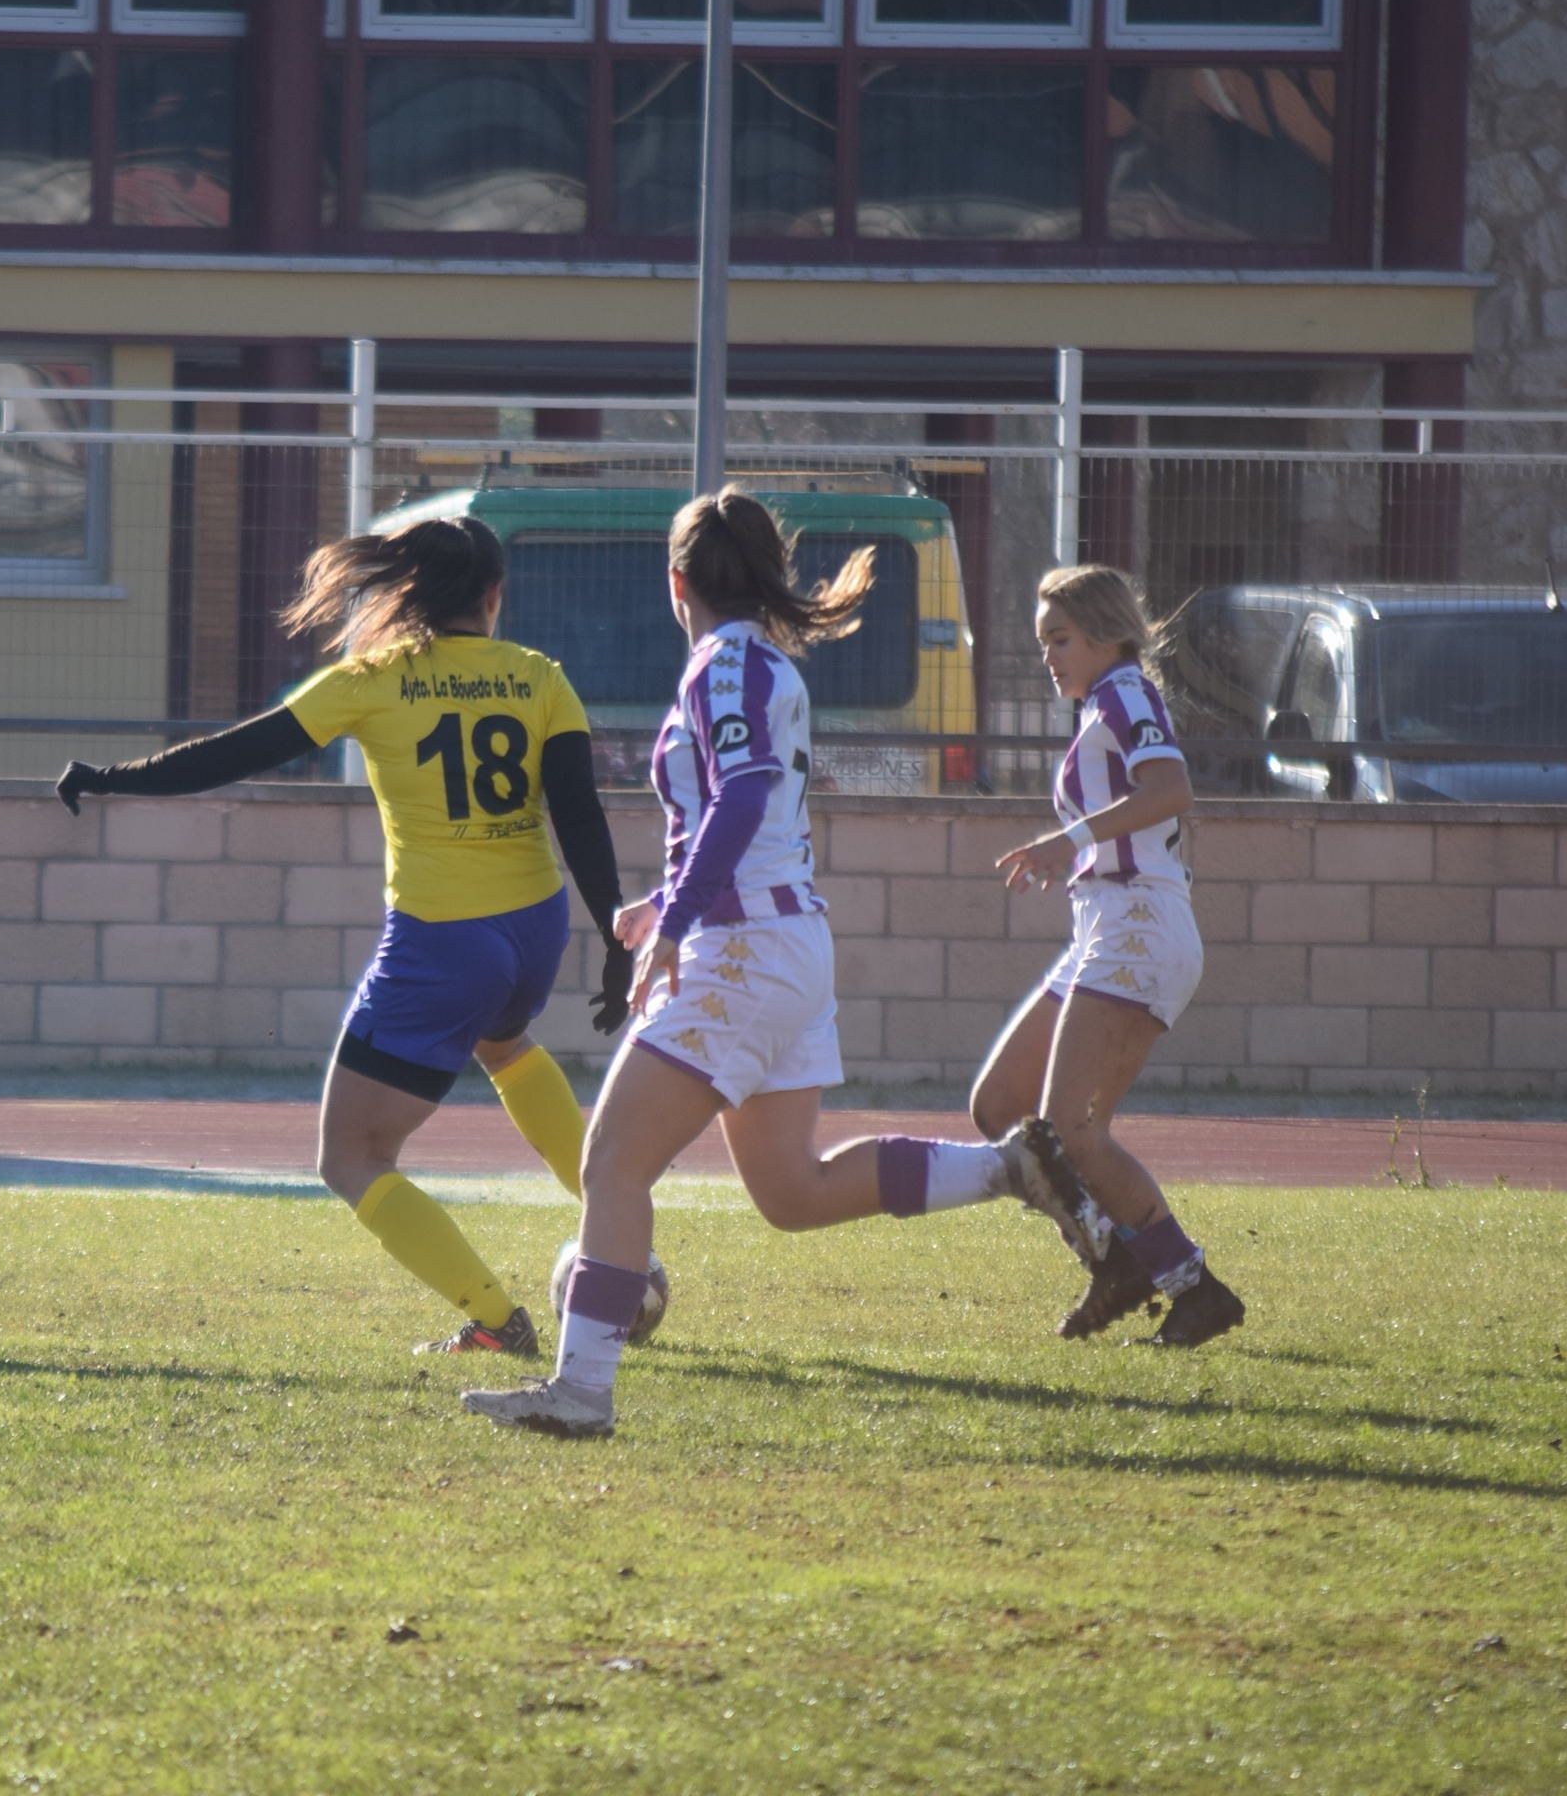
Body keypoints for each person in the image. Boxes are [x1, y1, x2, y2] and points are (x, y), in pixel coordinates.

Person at [463, 490, 1100, 1439]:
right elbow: (737, 806)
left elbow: (744, 793)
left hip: (744, 951)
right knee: (791, 1192)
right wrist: (667, 903)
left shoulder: (723, 664)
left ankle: (582, 1393)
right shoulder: (759, 664)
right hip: (781, 941)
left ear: (677, 582)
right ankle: (1011, 1170)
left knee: (612, 1164)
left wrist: (677, 920)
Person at [57, 515, 635, 1355]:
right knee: (506, 1045)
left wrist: (113, 780)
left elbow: (234, 753)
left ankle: (496, 1318)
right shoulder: (540, 677)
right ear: (493, 596)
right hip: (535, 926)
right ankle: (623, 1247)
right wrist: (618, 943)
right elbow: (580, 817)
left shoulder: (372, 680)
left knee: (350, 1157)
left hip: (444, 940)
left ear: (411, 595)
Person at [970, 564, 1242, 1348]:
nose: (1048, 655)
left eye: (1059, 638)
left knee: (1070, 1130)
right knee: (999, 1108)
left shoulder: (1124, 691)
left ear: (1105, 635)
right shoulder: (1101, 701)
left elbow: (1170, 789)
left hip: (1138, 925)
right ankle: (1118, 1258)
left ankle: (1188, 1282)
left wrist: (1069, 840)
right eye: (1042, 641)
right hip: (1104, 925)